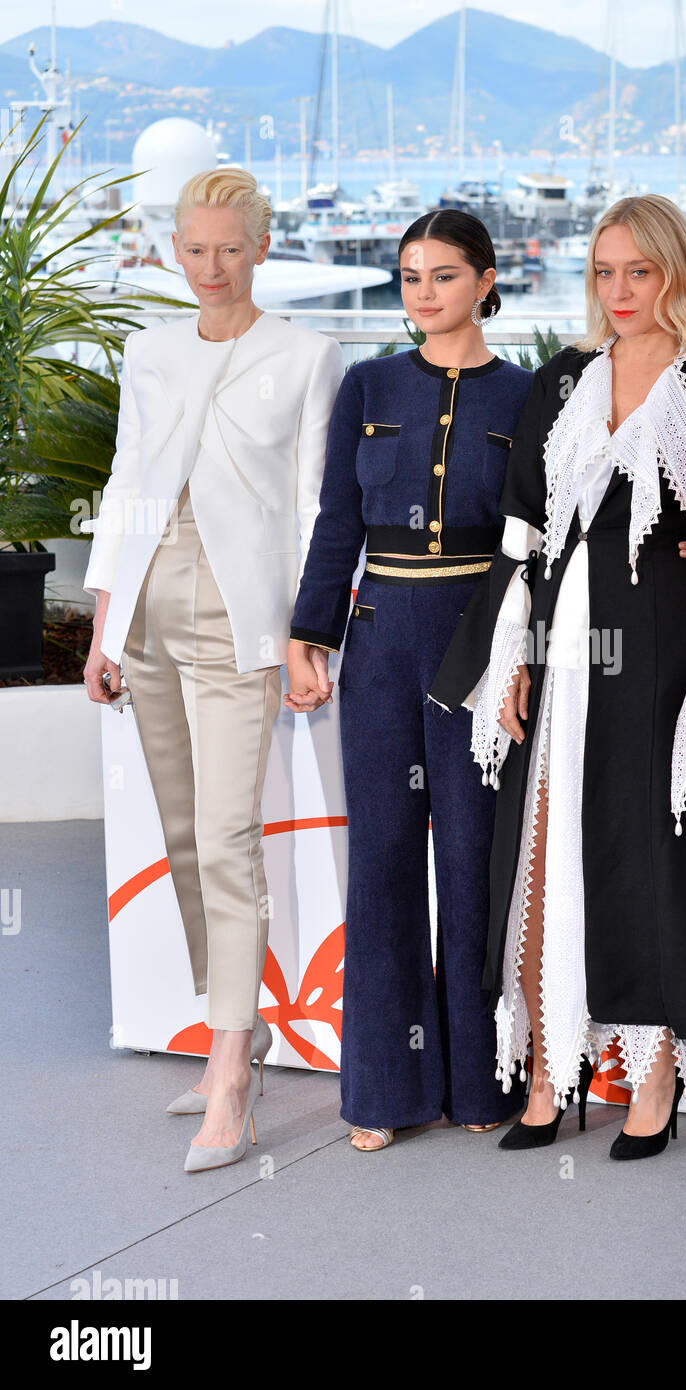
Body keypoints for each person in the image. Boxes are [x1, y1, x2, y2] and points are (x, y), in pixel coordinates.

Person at [286, 209, 686, 1152]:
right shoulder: (366, 385)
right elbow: (335, 521)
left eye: (443, 275)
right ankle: (386, 1093)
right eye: (408, 277)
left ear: (486, 281)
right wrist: (309, 630)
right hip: (380, 639)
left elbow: (565, 523)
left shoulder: (536, 394)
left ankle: (487, 1082)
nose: (422, 293)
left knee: (481, 866)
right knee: (385, 864)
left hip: (485, 646)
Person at [430, 194, 686, 1161]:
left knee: (650, 858)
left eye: (640, 272)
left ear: (676, 275)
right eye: (603, 272)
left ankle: (652, 1080)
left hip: (661, 653)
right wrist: (510, 657)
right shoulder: (561, 385)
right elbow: (521, 533)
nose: (619, 292)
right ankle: (545, 1072)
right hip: (560, 643)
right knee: (542, 853)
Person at [81, 169, 344, 1172]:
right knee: (185, 831)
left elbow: (319, 506)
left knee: (230, 837)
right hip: (150, 603)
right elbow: (128, 480)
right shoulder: (147, 352)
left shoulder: (307, 354)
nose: (211, 267)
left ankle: (231, 1064)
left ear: (260, 248)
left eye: (229, 247)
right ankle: (231, 1019)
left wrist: (305, 634)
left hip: (246, 617)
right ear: (173, 252)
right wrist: (108, 621)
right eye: (194, 249)